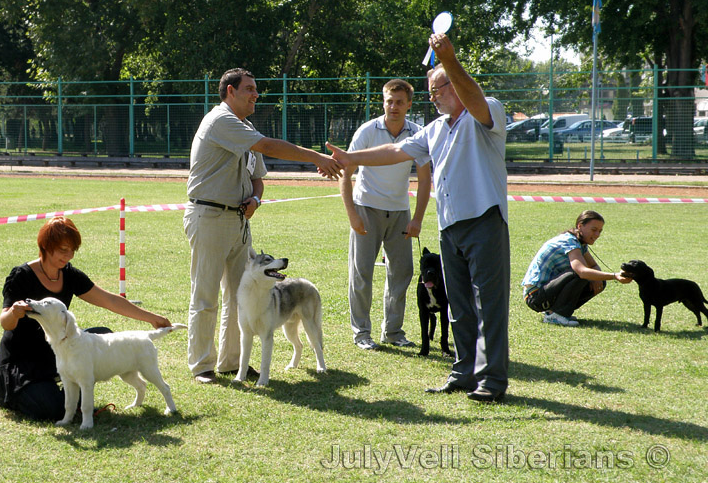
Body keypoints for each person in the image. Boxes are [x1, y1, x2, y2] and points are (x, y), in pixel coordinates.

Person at [328, 32, 510, 402]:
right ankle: (463, 371)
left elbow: (472, 96)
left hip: (484, 221)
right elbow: (395, 150)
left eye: (438, 89)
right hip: (450, 228)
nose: (433, 96)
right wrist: (351, 159)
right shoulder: (435, 128)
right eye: (429, 90)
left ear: (456, 85)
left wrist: (451, 61)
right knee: (457, 306)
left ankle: (492, 379)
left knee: (487, 304)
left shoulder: (486, 111)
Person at [185, 68, 341, 384]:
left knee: (239, 294)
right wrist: (316, 157)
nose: (256, 94)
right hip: (210, 216)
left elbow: (258, 178)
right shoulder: (221, 121)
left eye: (256, 89)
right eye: (249, 89)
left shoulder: (245, 126)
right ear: (230, 91)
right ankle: (202, 366)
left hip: (238, 220)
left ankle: (231, 363)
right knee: (206, 295)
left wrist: (255, 199)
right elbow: (268, 146)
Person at [0, 216, 172, 421]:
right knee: (51, 411)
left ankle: (70, 388)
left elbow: (110, 301)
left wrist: (152, 318)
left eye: (72, 250)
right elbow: (4, 322)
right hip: (23, 359)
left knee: (103, 336)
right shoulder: (21, 276)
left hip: (58, 349)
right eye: (63, 249)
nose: (68, 255)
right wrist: (15, 313)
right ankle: (30, 393)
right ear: (45, 245)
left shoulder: (69, 275)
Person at [340, 78, 431, 350]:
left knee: (402, 272)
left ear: (409, 105)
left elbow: (425, 180)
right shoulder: (367, 131)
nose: (394, 107)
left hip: (400, 212)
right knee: (361, 273)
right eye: (389, 101)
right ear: (383, 102)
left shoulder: (417, 133)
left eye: (399, 102)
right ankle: (361, 334)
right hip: (367, 209)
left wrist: (417, 219)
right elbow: (345, 172)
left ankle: (392, 332)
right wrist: (353, 215)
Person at [522, 210, 632, 326]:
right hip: (535, 296)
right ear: (580, 226)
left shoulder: (579, 242)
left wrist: (597, 278)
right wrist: (615, 276)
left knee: (598, 280)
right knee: (579, 274)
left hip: (546, 292)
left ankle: (558, 312)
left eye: (600, 231)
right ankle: (555, 315)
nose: (597, 235)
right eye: (594, 230)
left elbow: (594, 266)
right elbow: (581, 271)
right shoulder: (569, 241)